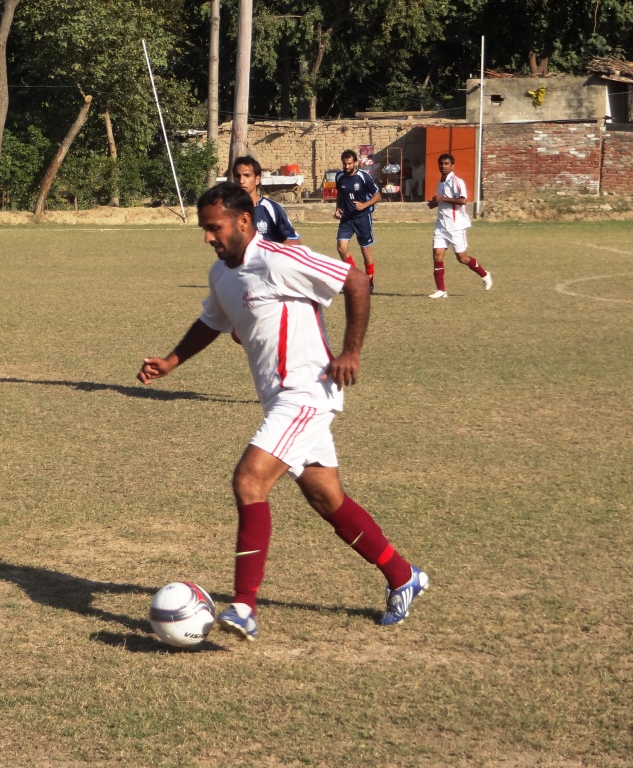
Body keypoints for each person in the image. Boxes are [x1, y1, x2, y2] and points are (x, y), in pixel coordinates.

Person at [137, 182, 427, 641]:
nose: (208, 237)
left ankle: (244, 607)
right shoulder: (222, 274)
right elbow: (213, 320)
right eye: (204, 229)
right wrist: (172, 361)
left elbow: (354, 281)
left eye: (215, 228)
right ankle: (403, 575)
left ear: (243, 221)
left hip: (307, 392)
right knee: (326, 498)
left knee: (249, 479)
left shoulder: (278, 259)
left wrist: (351, 351)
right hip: (279, 399)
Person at [427, 153, 492, 299]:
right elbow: (444, 201)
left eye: (446, 164)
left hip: (456, 225)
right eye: (441, 163)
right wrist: (434, 203)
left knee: (462, 258)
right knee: (437, 255)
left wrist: (442, 198)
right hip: (441, 225)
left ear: (452, 166)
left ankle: (484, 274)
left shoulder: (456, 181)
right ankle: (441, 290)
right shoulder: (441, 182)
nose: (443, 166)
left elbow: (463, 201)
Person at [334, 149, 380, 294]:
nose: (347, 166)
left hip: (362, 218)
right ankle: (355, 279)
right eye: (344, 164)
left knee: (365, 251)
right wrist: (338, 208)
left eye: (349, 163)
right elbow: (340, 194)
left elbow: (377, 196)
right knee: (341, 248)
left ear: (355, 163)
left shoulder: (364, 177)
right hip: (346, 219)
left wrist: (364, 205)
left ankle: (369, 281)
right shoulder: (339, 176)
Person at [232, 155, 301, 244]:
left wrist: (271, 252)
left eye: (247, 175)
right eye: (237, 176)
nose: (241, 181)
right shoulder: (229, 210)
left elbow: (294, 240)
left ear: (257, 179)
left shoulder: (271, 208)